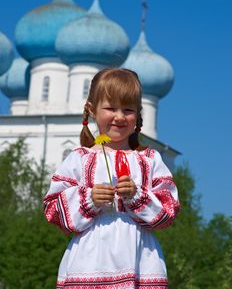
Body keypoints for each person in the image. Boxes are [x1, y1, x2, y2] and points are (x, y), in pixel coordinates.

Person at [44, 68, 180, 289]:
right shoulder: (80, 159)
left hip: (140, 262)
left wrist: (138, 197)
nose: (119, 116)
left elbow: (169, 212)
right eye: (110, 108)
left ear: (138, 114)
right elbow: (53, 210)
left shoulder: (149, 159)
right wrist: (89, 198)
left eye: (128, 109)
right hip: (89, 263)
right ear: (92, 110)